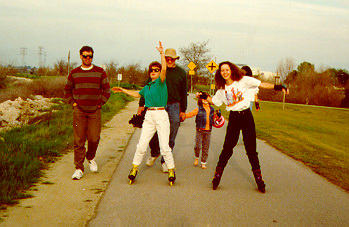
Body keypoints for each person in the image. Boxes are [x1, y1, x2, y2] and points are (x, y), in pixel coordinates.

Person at [199, 61, 288, 192]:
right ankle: (217, 176)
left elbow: (261, 84)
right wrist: (204, 96)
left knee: (251, 150)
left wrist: (279, 87)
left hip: (246, 117)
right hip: (234, 118)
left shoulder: (243, 80)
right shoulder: (222, 89)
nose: (225, 72)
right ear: (220, 73)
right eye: (222, 70)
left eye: (227, 70)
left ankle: (259, 179)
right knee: (227, 149)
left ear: (232, 70)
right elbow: (215, 102)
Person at [111, 42, 176, 185]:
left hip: (161, 114)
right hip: (149, 116)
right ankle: (134, 168)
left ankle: (171, 169)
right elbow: (136, 94)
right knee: (141, 145)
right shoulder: (147, 87)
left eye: (156, 69)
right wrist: (122, 90)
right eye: (151, 70)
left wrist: (161, 53)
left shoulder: (161, 82)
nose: (153, 71)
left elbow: (164, 68)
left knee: (164, 146)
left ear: (159, 72)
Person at [64, 46, 111, 180]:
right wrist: (73, 103)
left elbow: (107, 90)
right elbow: (67, 90)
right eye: (85, 56)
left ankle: (90, 157)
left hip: (94, 111)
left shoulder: (100, 72)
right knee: (79, 140)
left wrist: (99, 103)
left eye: (90, 56)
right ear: (80, 56)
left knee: (94, 138)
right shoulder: (74, 73)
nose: (87, 58)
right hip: (79, 110)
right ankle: (79, 168)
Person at [144, 47, 188, 172]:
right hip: (158, 106)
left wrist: (183, 110)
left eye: (171, 59)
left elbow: (184, 92)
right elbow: (148, 87)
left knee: (171, 135)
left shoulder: (181, 73)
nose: (169, 61)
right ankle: (154, 153)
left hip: (174, 106)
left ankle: (165, 161)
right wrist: (142, 104)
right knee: (153, 133)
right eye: (166, 58)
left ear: (175, 59)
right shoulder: (159, 70)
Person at [184, 94, 215, 169]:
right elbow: (191, 114)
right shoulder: (198, 109)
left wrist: (218, 118)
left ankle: (203, 162)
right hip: (200, 130)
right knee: (197, 146)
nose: (205, 100)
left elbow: (214, 118)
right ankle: (196, 157)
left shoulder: (212, 109)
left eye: (207, 98)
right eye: (203, 98)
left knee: (206, 147)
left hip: (208, 131)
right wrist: (183, 116)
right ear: (200, 100)